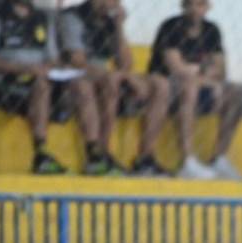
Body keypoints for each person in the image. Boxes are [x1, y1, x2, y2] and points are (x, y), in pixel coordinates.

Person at [59, 0, 171, 176]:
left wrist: (119, 26)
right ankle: (101, 153)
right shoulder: (72, 16)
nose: (110, 3)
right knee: (111, 79)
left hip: (108, 75)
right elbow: (76, 60)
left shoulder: (110, 22)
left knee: (160, 84)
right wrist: (124, 76)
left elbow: (126, 63)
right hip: (77, 74)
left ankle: (145, 157)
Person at [148, 0, 242, 180]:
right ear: (183, 6)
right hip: (169, 89)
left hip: (201, 86)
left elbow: (220, 69)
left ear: (208, 7)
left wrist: (206, 77)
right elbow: (176, 69)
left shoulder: (212, 30)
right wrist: (207, 77)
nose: (194, 9)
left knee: (236, 93)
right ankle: (187, 160)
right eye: (190, 4)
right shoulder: (171, 26)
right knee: (190, 87)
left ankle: (219, 157)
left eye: (200, 4)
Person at [0, 0, 68, 174]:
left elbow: (52, 57)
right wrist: (23, 68)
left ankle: (96, 153)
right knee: (41, 84)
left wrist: (52, 67)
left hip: (37, 76)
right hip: (3, 83)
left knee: (75, 85)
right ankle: (41, 151)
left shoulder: (43, 17)